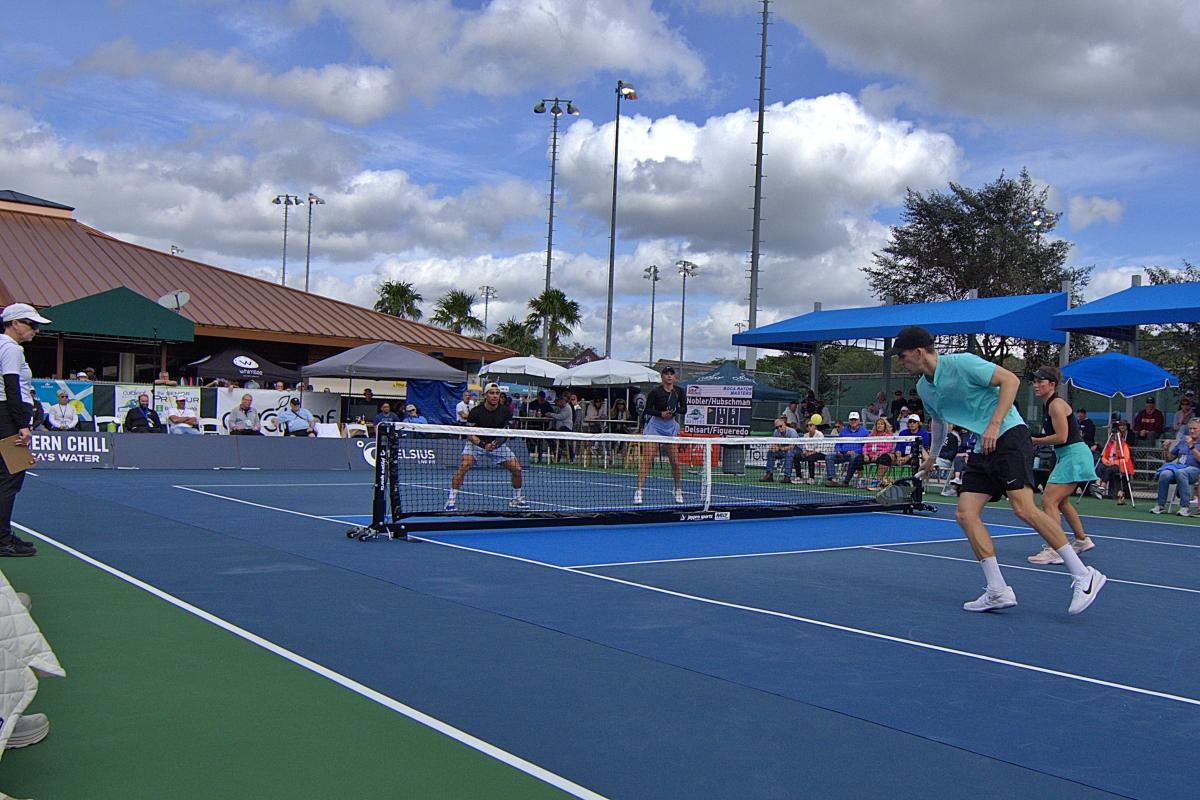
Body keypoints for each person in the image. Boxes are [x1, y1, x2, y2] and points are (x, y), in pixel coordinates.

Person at [890, 326, 1105, 615]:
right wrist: (933, 458)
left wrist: (993, 424)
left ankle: (1083, 574)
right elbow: (939, 424)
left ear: (918, 352)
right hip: (983, 445)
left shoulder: (963, 363)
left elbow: (1010, 380)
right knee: (965, 514)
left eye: (902, 356)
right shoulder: (923, 388)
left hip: (1009, 434)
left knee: (1024, 508)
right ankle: (997, 590)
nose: (900, 362)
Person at [1025, 367, 1098, 565]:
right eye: (1035, 382)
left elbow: (1061, 436)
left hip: (1073, 455)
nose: (1037, 385)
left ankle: (1056, 549)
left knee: (1048, 501)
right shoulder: (1049, 404)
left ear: (1052, 384)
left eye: (1041, 381)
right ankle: (1081, 540)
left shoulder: (1056, 405)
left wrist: (1035, 441)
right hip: (1068, 455)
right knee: (1062, 502)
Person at [0, 303, 50, 557]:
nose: (35, 330)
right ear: (15, 324)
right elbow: (11, 387)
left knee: (7, 477)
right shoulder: (10, 348)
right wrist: (22, 424)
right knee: (11, 477)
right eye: (31, 324)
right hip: (7, 417)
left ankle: (4, 533)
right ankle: (2, 538)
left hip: (5, 415)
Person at [446, 383, 524, 511]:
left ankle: (516, 500)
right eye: (491, 393)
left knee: (517, 470)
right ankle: (451, 501)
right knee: (464, 465)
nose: (495, 396)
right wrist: (483, 445)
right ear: (485, 396)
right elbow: (469, 434)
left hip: (497, 445)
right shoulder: (476, 412)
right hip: (476, 444)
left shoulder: (505, 411)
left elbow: (507, 431)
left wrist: (496, 443)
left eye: (497, 393)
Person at [635, 366, 686, 505]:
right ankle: (638, 491)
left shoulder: (679, 392)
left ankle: (677, 489)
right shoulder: (655, 392)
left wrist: (673, 412)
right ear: (662, 377)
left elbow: (684, 409)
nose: (669, 376)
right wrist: (660, 414)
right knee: (647, 459)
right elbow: (647, 410)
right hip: (655, 426)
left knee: (675, 462)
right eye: (666, 374)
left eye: (671, 374)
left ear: (674, 377)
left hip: (670, 427)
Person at [1150, 418, 1200, 516]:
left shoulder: (1191, 443)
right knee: (1165, 474)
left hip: (1195, 470)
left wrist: (1191, 446)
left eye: (1195, 429)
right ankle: (1160, 506)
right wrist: (1166, 449)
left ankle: (1185, 507)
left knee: (1181, 473)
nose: (1192, 431)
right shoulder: (1183, 441)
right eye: (1190, 429)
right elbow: (1169, 458)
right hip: (1179, 468)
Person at [825, 411, 868, 486]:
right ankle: (832, 479)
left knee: (854, 458)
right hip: (843, 454)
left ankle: (846, 481)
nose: (853, 421)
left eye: (855, 419)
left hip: (856, 455)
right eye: (852, 420)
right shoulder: (843, 431)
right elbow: (838, 444)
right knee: (829, 457)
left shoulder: (864, 432)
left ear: (858, 421)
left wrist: (854, 451)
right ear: (849, 420)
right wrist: (838, 451)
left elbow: (866, 446)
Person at [1095, 420, 1134, 504]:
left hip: (1120, 465)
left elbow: (1125, 459)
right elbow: (1103, 456)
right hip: (1109, 464)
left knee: (1109, 470)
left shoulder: (1123, 445)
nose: (1113, 438)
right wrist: (1106, 462)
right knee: (1100, 466)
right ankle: (1098, 483)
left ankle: (1102, 487)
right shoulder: (1109, 445)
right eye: (1112, 437)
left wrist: (1113, 462)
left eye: (1115, 437)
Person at [761, 417, 800, 482]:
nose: (779, 428)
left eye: (780, 426)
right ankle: (769, 475)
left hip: (796, 450)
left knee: (789, 453)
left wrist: (780, 448)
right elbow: (774, 444)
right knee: (771, 452)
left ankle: (787, 477)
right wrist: (773, 448)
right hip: (783, 451)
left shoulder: (792, 432)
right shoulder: (776, 432)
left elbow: (792, 446)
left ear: (784, 425)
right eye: (777, 427)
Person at [862, 417, 896, 488]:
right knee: (857, 459)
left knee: (884, 458)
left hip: (881, 456)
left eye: (881, 424)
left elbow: (888, 448)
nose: (879, 425)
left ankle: (877, 480)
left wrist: (878, 454)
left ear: (885, 426)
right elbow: (865, 446)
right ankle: (860, 480)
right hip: (870, 456)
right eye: (878, 424)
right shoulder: (871, 436)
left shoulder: (888, 436)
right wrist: (865, 454)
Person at [795, 416, 825, 483]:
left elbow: (819, 448)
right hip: (808, 453)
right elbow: (804, 447)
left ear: (814, 426)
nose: (809, 427)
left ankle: (811, 478)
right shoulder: (805, 435)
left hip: (820, 453)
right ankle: (799, 477)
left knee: (810, 458)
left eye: (810, 425)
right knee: (796, 456)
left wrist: (810, 453)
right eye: (807, 426)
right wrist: (804, 452)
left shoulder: (820, 434)